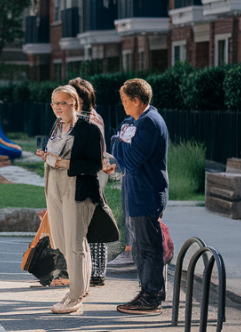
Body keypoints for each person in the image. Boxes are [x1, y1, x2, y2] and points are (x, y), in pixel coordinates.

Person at [34, 85, 103, 315]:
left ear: (74, 103)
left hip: (77, 189)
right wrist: (46, 157)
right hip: (54, 187)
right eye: (54, 103)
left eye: (62, 103)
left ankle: (75, 295)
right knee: (63, 242)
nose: (57, 108)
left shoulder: (89, 129)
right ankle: (78, 288)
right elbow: (56, 154)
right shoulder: (57, 126)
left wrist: (64, 163)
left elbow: (95, 164)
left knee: (75, 243)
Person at [111, 78, 170, 316]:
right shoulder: (132, 121)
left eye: (126, 100)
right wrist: (121, 141)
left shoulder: (149, 123)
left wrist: (120, 140)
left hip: (147, 192)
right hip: (135, 191)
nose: (123, 105)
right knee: (139, 247)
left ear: (137, 100)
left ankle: (152, 296)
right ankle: (147, 290)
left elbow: (132, 161)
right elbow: (119, 152)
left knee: (148, 247)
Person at [69, 77, 113, 287]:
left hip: (81, 175)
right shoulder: (97, 117)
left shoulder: (76, 121)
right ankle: (98, 271)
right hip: (99, 175)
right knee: (96, 221)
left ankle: (82, 270)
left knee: (79, 224)